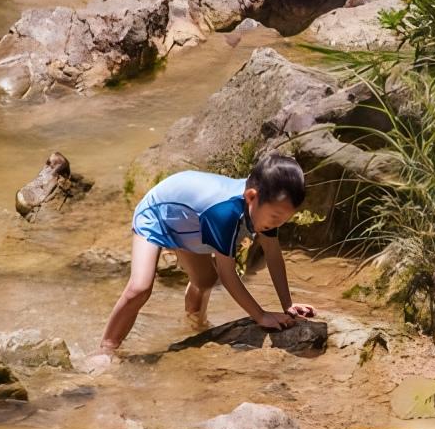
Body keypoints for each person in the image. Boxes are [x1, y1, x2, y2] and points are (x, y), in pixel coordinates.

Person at [97, 153, 316, 358]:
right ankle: (106, 348)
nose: (277, 224)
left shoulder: (264, 206)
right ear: (251, 197)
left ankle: (193, 325)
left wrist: (288, 305)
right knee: (140, 288)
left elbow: (273, 254)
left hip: (189, 223)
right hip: (157, 215)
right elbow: (228, 274)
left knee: (205, 280)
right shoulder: (225, 212)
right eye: (276, 217)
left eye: (284, 220)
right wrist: (260, 315)